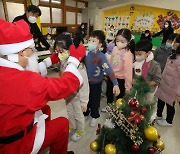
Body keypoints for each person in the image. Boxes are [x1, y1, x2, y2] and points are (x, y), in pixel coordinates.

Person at [0, 18, 86, 154]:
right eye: (31, 49)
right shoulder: (25, 81)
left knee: (45, 109)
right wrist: (74, 61)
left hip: (6, 131)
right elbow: (62, 85)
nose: (33, 53)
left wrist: (48, 62)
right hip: (16, 145)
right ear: (20, 52)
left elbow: (33, 72)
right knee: (63, 123)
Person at [54, 34, 89, 142]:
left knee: (78, 114)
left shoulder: (79, 66)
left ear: (70, 50)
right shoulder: (63, 62)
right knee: (69, 112)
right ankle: (72, 126)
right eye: (57, 52)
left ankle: (81, 130)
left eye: (61, 52)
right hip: (67, 95)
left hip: (77, 97)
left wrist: (84, 102)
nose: (59, 55)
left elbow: (85, 86)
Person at [84, 30, 120, 127]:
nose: (90, 43)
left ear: (100, 44)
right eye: (89, 40)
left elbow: (109, 70)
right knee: (86, 99)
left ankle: (95, 115)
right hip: (86, 82)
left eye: (93, 41)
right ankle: (86, 112)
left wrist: (115, 83)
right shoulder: (86, 54)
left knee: (95, 100)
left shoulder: (101, 57)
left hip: (96, 83)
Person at [105, 28, 135, 108]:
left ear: (128, 41)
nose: (119, 43)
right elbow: (111, 61)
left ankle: (117, 115)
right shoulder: (114, 48)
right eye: (117, 40)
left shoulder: (128, 54)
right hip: (111, 77)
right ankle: (109, 109)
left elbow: (128, 73)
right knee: (109, 94)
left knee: (119, 99)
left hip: (120, 80)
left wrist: (128, 87)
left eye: (122, 41)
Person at [155, 34, 180, 127]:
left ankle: (169, 121)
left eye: (175, 41)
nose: (173, 43)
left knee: (170, 104)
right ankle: (158, 115)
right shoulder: (173, 55)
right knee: (161, 100)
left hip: (172, 87)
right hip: (165, 83)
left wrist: (178, 94)